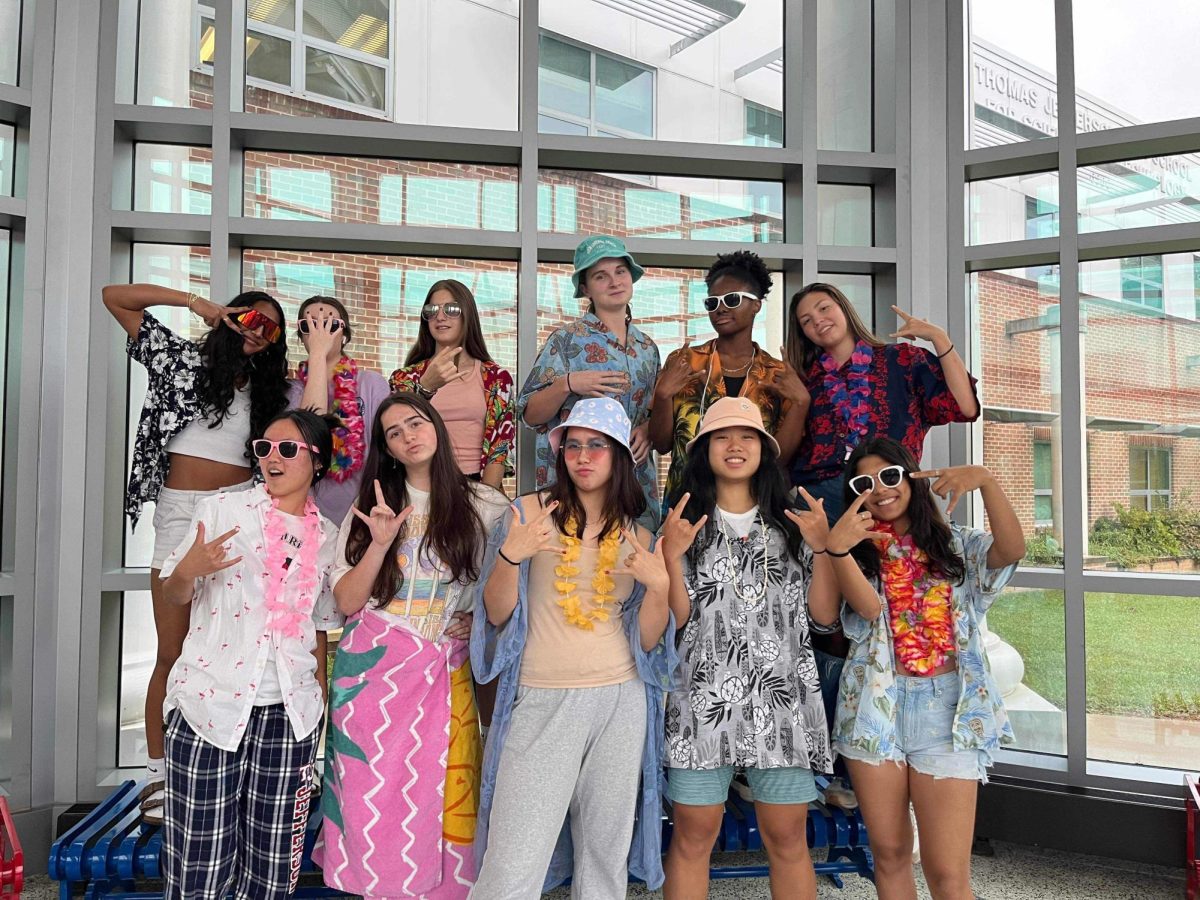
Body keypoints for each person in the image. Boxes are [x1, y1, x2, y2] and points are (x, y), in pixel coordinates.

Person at [468, 399, 675, 898]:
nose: (583, 456)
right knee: (513, 858)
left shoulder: (639, 535)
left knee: (605, 857)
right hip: (540, 698)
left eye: (597, 445)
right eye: (573, 445)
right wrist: (509, 557)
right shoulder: (527, 514)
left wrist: (662, 587)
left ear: (620, 455)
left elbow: (649, 643)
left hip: (620, 703)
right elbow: (495, 615)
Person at [103, 282, 291, 823]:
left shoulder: (271, 392)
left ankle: (222, 765)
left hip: (240, 513)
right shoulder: (182, 359)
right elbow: (114, 296)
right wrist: (197, 305)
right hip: (181, 511)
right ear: (233, 316)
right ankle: (159, 776)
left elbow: (317, 419)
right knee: (172, 649)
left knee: (230, 646)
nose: (257, 331)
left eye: (270, 328)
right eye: (252, 318)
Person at [809, 437, 1024, 900]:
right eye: (864, 483)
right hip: (873, 709)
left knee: (947, 873)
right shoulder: (858, 550)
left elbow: (1010, 550)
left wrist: (985, 480)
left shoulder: (955, 543)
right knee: (888, 856)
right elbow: (866, 611)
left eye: (890, 476)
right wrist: (835, 550)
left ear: (911, 477)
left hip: (946, 709)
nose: (880, 490)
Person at [314, 394, 509, 899]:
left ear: (437, 428)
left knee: (444, 796)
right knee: (371, 803)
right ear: (388, 449)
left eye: (415, 423)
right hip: (373, 675)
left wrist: (478, 617)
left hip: (445, 670)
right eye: (394, 432)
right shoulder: (370, 510)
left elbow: (508, 587)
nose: (408, 435)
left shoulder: (485, 506)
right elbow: (348, 601)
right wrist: (378, 542)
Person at [158, 409, 344, 899]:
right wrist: (189, 570)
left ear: (317, 462)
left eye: (287, 449)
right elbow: (176, 594)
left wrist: (317, 710)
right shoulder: (222, 511)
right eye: (264, 448)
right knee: (199, 865)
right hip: (209, 708)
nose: (271, 458)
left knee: (273, 866)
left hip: (289, 718)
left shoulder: (326, 537)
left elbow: (320, 629)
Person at [659, 397, 833, 900]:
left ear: (764, 449)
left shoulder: (792, 523)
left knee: (787, 838)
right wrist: (670, 556)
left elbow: (821, 618)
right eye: (721, 437)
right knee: (693, 837)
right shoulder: (685, 525)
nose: (735, 446)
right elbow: (677, 621)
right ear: (704, 450)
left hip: (782, 705)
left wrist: (823, 546)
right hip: (701, 704)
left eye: (747, 436)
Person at [785, 282, 980, 522]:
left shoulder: (902, 359)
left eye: (824, 308)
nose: (817, 320)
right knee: (818, 561)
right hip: (823, 499)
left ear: (844, 309)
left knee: (899, 560)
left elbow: (965, 407)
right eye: (806, 320)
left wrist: (938, 337)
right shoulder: (806, 380)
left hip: (890, 490)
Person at [518, 235, 661, 530]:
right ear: (585, 288)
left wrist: (648, 430)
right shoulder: (566, 340)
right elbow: (529, 415)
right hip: (577, 481)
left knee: (633, 564)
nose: (614, 281)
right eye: (601, 276)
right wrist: (567, 383)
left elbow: (653, 411)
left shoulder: (648, 348)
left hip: (632, 482)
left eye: (620, 271)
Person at [651, 250, 808, 508]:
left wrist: (801, 402)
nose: (721, 308)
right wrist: (663, 395)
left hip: (754, 506)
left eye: (732, 299)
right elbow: (661, 444)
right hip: (686, 503)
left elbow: (777, 458)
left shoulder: (775, 373)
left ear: (756, 304)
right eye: (712, 303)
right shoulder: (685, 361)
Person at [390, 279, 515, 491]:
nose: (440, 316)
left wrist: (486, 502)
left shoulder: (496, 377)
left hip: (480, 487)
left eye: (452, 309)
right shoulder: (404, 378)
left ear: (468, 315)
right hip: (424, 488)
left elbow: (498, 448)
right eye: (431, 310)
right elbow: (398, 434)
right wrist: (425, 388)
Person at [289, 294, 391, 525]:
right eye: (310, 325)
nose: (320, 333)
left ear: (344, 336)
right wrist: (317, 354)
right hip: (306, 514)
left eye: (330, 325)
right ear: (301, 336)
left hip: (362, 511)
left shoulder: (371, 383)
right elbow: (309, 438)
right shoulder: (291, 391)